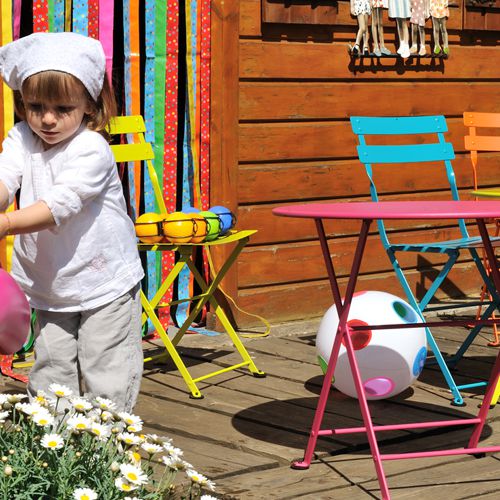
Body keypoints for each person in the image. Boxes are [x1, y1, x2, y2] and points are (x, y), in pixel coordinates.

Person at [0, 32, 144, 411]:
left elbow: (58, 204)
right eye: (35, 106)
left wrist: (6, 222)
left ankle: (108, 451)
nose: (47, 119)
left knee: (105, 366)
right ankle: (57, 450)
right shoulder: (21, 138)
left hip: (105, 279)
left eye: (63, 108)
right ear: (21, 102)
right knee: (51, 368)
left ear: (90, 106)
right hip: (51, 280)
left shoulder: (91, 149)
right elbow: (5, 177)